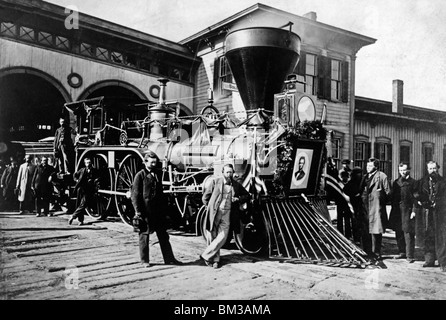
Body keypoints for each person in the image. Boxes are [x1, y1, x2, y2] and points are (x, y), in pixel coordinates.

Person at [131, 152, 182, 268]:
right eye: (151, 162)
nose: (154, 164)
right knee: (144, 236)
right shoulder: (140, 175)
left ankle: (169, 259)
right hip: (145, 212)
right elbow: (135, 195)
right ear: (145, 162)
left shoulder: (158, 174)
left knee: (163, 236)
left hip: (158, 212)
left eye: (155, 162)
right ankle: (144, 260)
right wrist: (137, 211)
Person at [200, 163, 250, 269]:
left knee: (223, 236)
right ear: (223, 172)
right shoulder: (215, 182)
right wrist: (209, 207)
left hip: (227, 213)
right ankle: (215, 260)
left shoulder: (236, 185)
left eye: (231, 172)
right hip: (215, 212)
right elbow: (205, 197)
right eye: (227, 172)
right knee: (212, 236)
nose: (229, 174)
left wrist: (238, 199)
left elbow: (247, 195)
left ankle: (206, 255)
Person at [359, 158, 391, 261]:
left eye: (370, 166)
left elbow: (388, 193)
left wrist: (380, 195)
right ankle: (367, 252)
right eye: (367, 166)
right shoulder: (364, 177)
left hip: (376, 207)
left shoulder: (382, 176)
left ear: (376, 167)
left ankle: (376, 253)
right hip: (365, 207)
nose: (367, 168)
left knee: (376, 231)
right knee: (365, 230)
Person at [417, 161, 446, 271]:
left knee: (441, 237)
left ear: (438, 169)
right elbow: (416, 194)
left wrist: (437, 203)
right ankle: (429, 260)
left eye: (434, 169)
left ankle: (443, 262)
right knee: (428, 235)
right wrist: (422, 202)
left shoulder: (443, 182)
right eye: (430, 169)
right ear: (427, 169)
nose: (432, 171)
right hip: (427, 213)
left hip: (440, 214)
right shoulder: (422, 182)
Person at [389, 163, 418, 262]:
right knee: (398, 231)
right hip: (397, 210)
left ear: (409, 170)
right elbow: (392, 198)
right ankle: (402, 252)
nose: (402, 172)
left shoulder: (413, 183)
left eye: (404, 170)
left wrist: (414, 211)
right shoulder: (396, 182)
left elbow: (415, 198)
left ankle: (410, 255)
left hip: (408, 210)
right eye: (401, 170)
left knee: (408, 232)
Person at [68, 157, 99, 226]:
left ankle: (73, 216)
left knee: (83, 204)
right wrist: (76, 180)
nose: (88, 164)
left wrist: (94, 181)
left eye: (90, 163)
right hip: (81, 189)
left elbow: (97, 178)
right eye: (87, 163)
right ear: (85, 164)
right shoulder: (82, 170)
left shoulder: (94, 171)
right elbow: (74, 175)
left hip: (88, 190)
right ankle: (80, 221)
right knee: (79, 204)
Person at [343, 166, 363, 243]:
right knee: (351, 222)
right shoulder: (351, 184)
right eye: (358, 173)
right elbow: (345, 192)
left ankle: (356, 237)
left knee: (356, 222)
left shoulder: (360, 183)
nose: (359, 175)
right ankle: (349, 236)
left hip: (357, 205)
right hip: (350, 205)